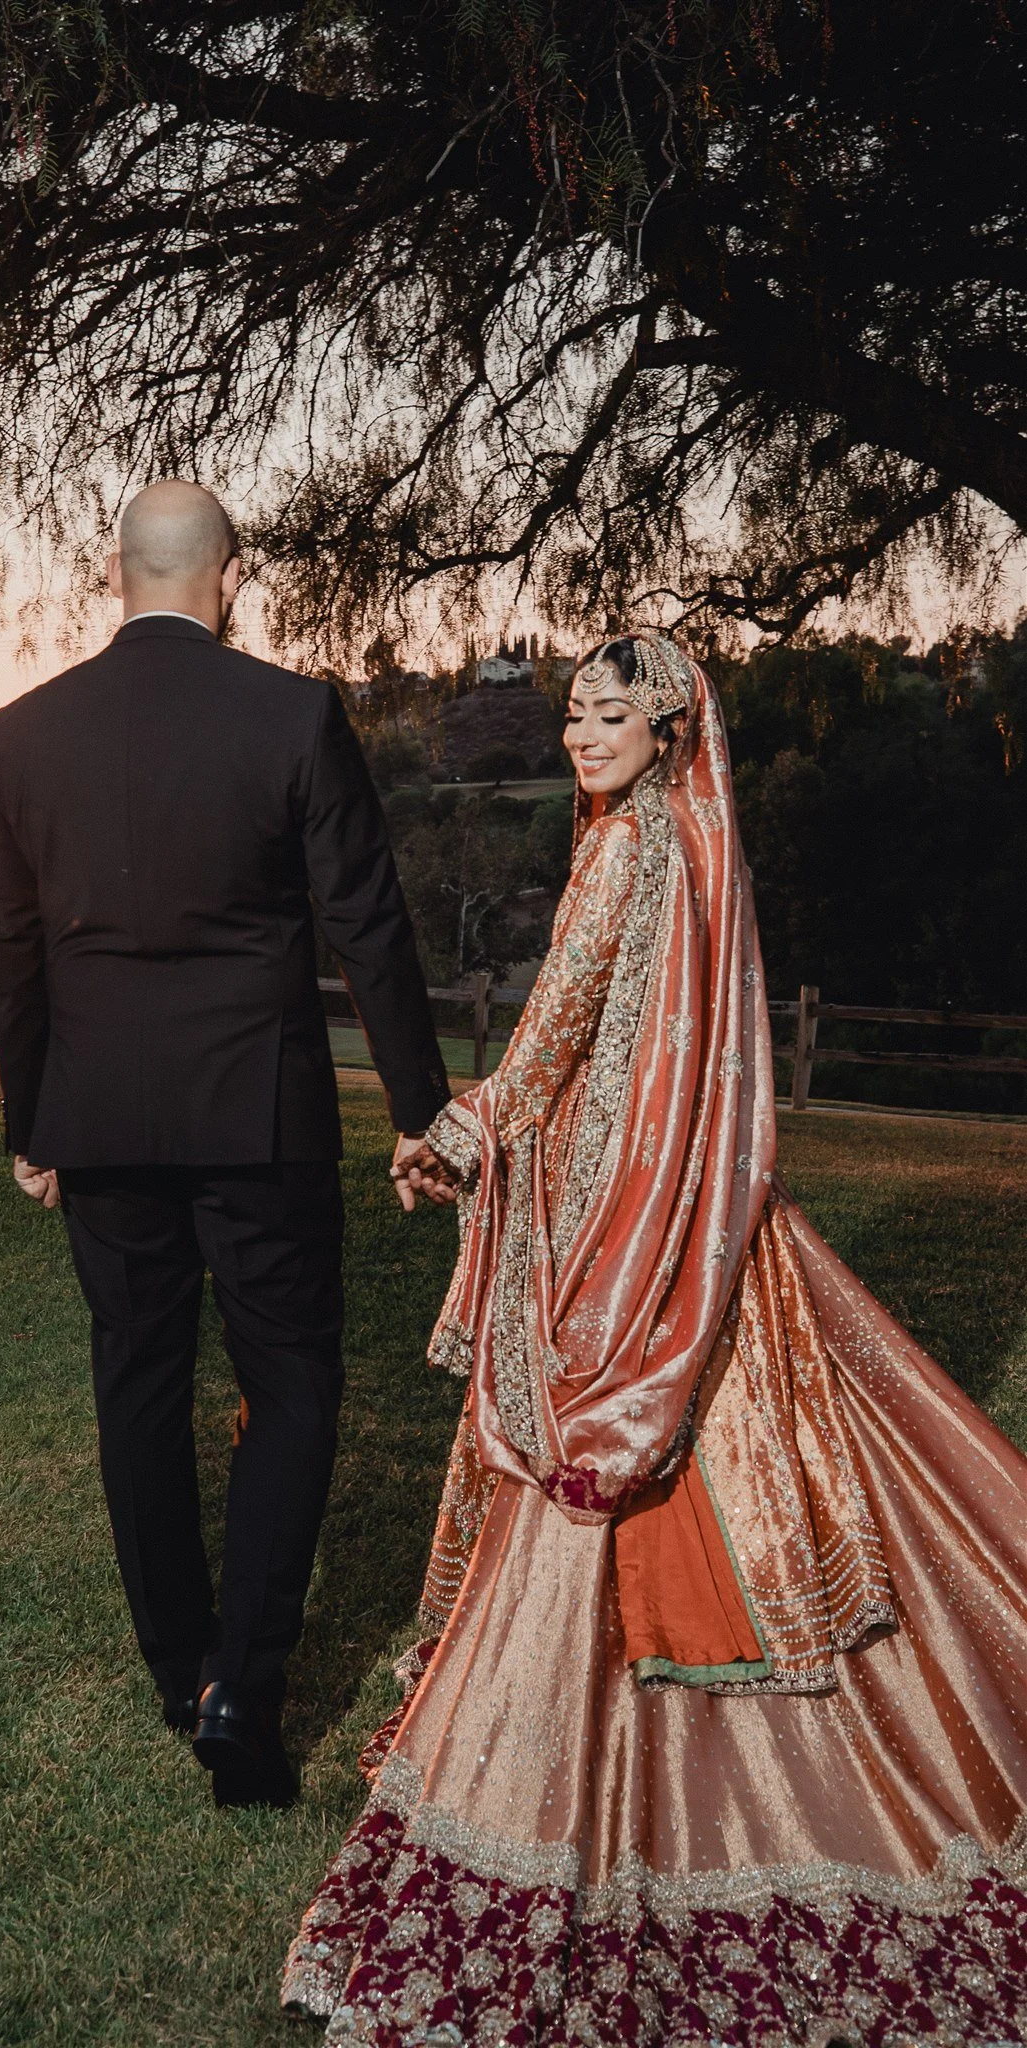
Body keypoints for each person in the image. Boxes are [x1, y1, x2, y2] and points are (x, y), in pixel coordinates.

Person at [284, 632, 1027, 2043]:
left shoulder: (628, 851)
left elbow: (555, 1033)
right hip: (686, 1210)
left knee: (613, 1461)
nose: (579, 734)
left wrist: (454, 1130)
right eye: (569, 712)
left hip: (622, 1225)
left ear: (668, 732)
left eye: (609, 715)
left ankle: (583, 1772)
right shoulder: (689, 842)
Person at [0, 480, 450, 1810]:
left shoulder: (19, 735)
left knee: (138, 1379)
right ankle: (247, 1681)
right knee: (289, 1378)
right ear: (228, 576)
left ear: (113, 573)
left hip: (103, 1116)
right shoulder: (293, 714)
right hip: (260, 1114)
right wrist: (419, 1108)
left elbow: (10, 955)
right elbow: (371, 927)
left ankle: (179, 1668)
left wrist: (31, 1119)